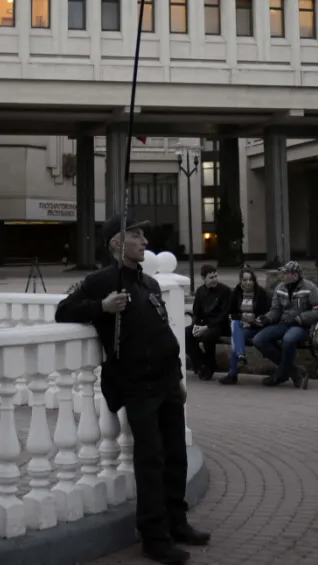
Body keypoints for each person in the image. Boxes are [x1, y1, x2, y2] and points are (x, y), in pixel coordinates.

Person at [55, 214, 208, 564]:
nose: (144, 242)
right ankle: (154, 537)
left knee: (176, 455)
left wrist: (178, 377)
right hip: (138, 385)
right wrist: (102, 307)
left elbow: (164, 332)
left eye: (142, 236)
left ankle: (177, 522)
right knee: (150, 460)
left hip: (166, 381)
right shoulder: (101, 281)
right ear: (116, 243)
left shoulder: (149, 283)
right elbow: (64, 311)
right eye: (136, 235)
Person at [254, 261, 318, 390]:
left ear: (295, 275)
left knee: (289, 339)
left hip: (301, 326)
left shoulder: (310, 288)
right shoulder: (280, 288)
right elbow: (275, 310)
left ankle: (280, 375)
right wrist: (266, 318)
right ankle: (293, 371)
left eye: (285, 273)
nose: (282, 275)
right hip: (283, 324)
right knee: (258, 339)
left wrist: (300, 318)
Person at [218, 266, 270, 385]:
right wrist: (242, 318)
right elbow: (230, 313)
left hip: (257, 328)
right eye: (245, 280)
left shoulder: (261, 293)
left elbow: (264, 315)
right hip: (242, 326)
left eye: (250, 279)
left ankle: (233, 372)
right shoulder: (236, 292)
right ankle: (240, 357)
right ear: (240, 281)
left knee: (235, 337)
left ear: (254, 280)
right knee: (235, 326)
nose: (248, 282)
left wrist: (251, 322)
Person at [185, 265, 230, 381]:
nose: (215, 279)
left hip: (220, 325)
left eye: (216, 276)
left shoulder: (225, 291)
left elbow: (224, 315)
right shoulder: (200, 291)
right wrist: (195, 326)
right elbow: (196, 312)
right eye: (211, 277)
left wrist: (206, 327)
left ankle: (209, 366)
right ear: (203, 279)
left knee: (208, 335)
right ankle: (202, 363)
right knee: (186, 334)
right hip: (204, 323)